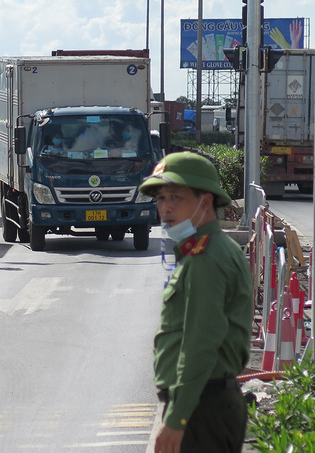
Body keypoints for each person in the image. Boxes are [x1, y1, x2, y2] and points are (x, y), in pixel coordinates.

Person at [138, 152, 253, 453]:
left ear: (205, 202)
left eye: (176, 197)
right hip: (203, 406)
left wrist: (177, 419)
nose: (166, 208)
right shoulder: (209, 250)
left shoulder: (206, 259)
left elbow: (200, 343)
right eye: (161, 198)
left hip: (203, 408)